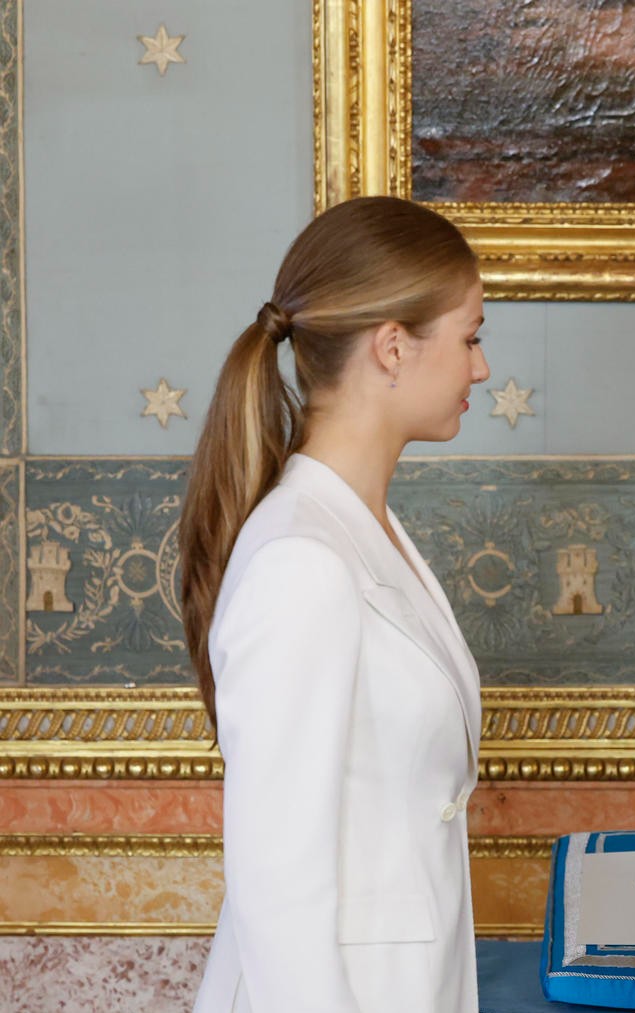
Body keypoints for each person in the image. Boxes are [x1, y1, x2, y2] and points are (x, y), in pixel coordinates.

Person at [183, 196, 492, 1012]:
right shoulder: (302, 560)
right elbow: (278, 886)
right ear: (393, 346)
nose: (481, 369)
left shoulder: (363, 528)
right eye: (471, 337)